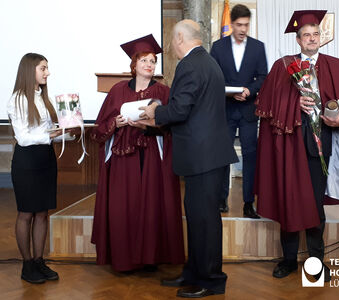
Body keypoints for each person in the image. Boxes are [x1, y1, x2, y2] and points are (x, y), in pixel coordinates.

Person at [255, 10, 339, 281]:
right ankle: (288, 260)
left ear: (321, 38)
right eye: (306, 35)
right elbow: (266, 109)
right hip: (288, 146)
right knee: (288, 200)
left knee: (314, 204)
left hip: (318, 147)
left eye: (316, 34)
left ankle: (316, 262)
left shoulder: (336, 65)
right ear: (298, 40)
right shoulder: (282, 66)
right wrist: (293, 103)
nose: (311, 39)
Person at [139, 20, 238, 298]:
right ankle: (194, 272)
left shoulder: (190, 65)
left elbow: (181, 109)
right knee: (198, 219)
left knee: (204, 221)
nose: (171, 46)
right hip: (207, 155)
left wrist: (154, 113)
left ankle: (211, 280)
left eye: (172, 40)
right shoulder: (207, 61)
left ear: (180, 38)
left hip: (203, 157)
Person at [90, 34, 185, 272]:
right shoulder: (118, 90)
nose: (149, 65)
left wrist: (149, 124)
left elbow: (173, 124)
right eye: (144, 60)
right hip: (125, 158)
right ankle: (125, 259)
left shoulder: (163, 92)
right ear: (134, 64)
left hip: (154, 155)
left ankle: (150, 257)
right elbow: (100, 127)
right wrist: (117, 123)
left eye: (153, 61)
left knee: (152, 206)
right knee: (126, 207)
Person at [7, 53, 63, 284]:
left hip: (46, 160)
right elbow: (24, 137)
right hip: (27, 161)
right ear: (30, 70)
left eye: (47, 68)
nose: (47, 73)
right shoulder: (17, 99)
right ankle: (27, 264)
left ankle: (39, 261)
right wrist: (53, 133)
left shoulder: (43, 97)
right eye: (43, 68)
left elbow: (49, 135)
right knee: (26, 213)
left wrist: (69, 130)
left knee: (42, 213)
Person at [210, 4, 268, 218]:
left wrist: (248, 90)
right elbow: (212, 77)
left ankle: (248, 203)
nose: (243, 29)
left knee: (251, 157)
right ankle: (221, 199)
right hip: (225, 109)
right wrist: (228, 92)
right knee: (223, 156)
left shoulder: (258, 47)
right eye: (240, 25)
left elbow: (264, 77)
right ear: (232, 24)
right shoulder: (218, 47)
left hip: (248, 111)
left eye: (246, 25)